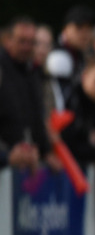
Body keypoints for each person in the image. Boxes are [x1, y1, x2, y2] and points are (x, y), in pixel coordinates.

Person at [0, 15, 51, 171]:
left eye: (31, 42)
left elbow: (38, 117)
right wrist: (5, 155)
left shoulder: (33, 71)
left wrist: (45, 152)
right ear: (7, 40)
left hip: (25, 163)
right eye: (22, 41)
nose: (27, 47)